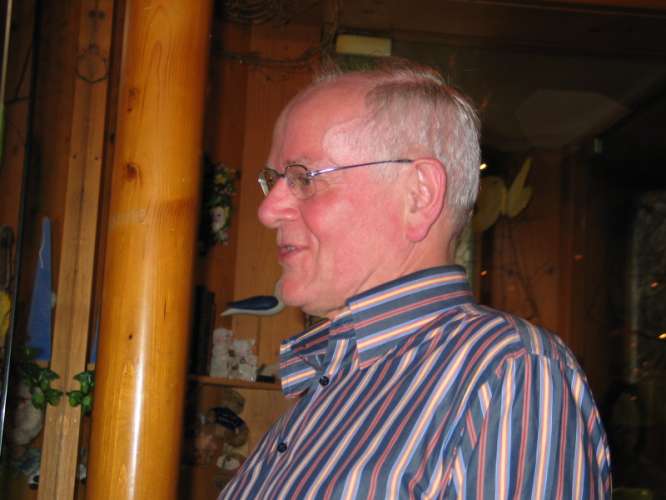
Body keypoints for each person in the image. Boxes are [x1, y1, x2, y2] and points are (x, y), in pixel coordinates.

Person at [218, 58, 611, 499]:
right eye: (273, 180)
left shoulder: (510, 371)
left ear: (419, 194)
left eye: (303, 178)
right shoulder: (334, 380)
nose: (267, 210)